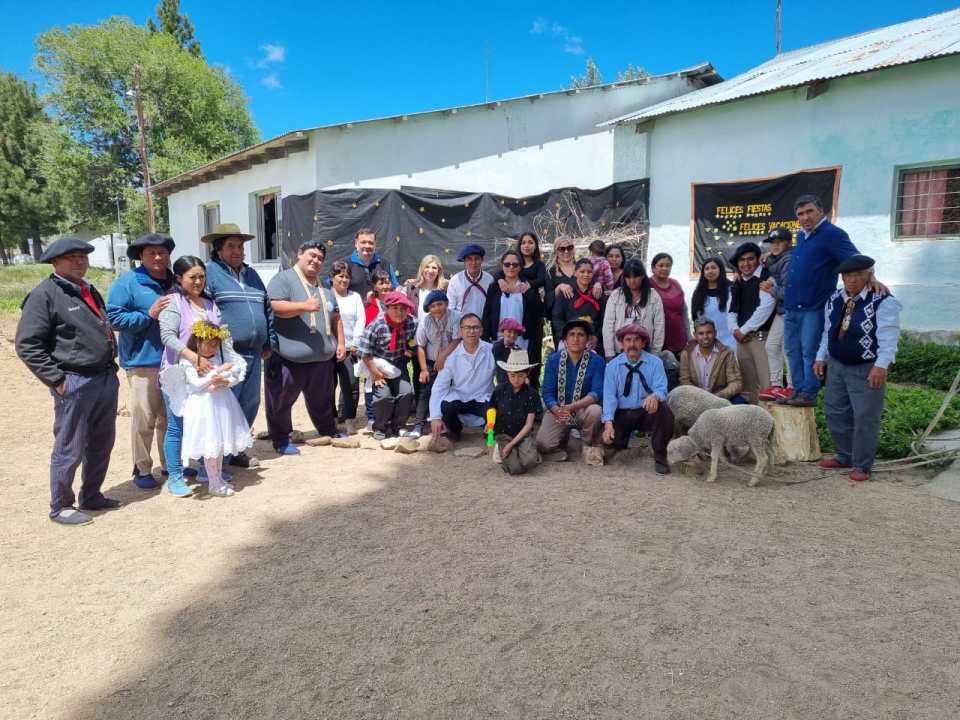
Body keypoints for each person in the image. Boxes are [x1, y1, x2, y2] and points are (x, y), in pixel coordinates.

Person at [16, 237, 120, 525]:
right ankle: (61, 505)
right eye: (72, 257)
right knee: (69, 446)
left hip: (104, 377)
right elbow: (27, 344)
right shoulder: (44, 295)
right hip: (74, 380)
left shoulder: (87, 289)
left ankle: (91, 495)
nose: (79, 262)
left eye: (83, 257)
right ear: (55, 261)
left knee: (102, 441)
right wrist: (57, 379)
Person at [783, 194, 885, 407]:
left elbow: (855, 258)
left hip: (813, 306)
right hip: (791, 306)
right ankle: (797, 390)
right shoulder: (801, 236)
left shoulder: (832, 234)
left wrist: (871, 277)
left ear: (821, 211)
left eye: (809, 211)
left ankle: (809, 393)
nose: (805, 217)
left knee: (809, 351)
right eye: (800, 214)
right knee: (792, 351)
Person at [159, 256, 245, 496]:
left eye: (201, 277)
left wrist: (230, 367)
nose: (198, 281)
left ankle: (208, 470)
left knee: (207, 424)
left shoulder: (209, 304)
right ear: (179, 278)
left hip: (209, 372)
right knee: (177, 425)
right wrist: (194, 358)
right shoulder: (173, 302)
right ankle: (175, 476)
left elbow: (222, 337)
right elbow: (167, 336)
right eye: (192, 277)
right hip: (181, 373)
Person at [815, 255, 901, 482]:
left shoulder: (883, 301)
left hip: (866, 367)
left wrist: (881, 366)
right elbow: (828, 331)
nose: (851, 280)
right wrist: (820, 357)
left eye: (857, 275)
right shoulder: (835, 298)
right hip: (837, 364)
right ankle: (844, 456)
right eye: (847, 275)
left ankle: (862, 464)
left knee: (865, 416)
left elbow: (889, 338)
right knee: (835, 410)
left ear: (869, 275)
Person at [202, 222, 276, 468]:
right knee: (225, 404)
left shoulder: (251, 274)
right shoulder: (210, 274)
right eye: (231, 246)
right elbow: (204, 314)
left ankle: (237, 449)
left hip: (254, 351)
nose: (238, 251)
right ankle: (218, 457)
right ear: (218, 249)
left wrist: (269, 341)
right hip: (227, 354)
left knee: (250, 402)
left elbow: (267, 308)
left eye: (240, 247)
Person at [105, 232, 174, 489]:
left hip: (174, 361)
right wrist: (148, 315)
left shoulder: (175, 281)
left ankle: (170, 464)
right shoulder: (128, 283)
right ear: (140, 256)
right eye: (151, 253)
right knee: (144, 418)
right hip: (143, 361)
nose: (157, 257)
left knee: (170, 418)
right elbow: (114, 318)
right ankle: (142, 468)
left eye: (162, 252)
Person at [266, 241, 346, 455]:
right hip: (288, 358)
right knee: (281, 401)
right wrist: (303, 306)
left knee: (323, 400)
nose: (316, 261)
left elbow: (336, 317)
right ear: (299, 254)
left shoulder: (324, 287)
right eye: (312, 255)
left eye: (320, 258)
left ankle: (328, 430)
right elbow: (273, 306)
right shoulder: (283, 279)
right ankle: (281, 440)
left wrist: (340, 343)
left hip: (321, 358)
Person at [160, 320, 251, 497]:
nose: (212, 349)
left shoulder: (216, 357)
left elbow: (232, 374)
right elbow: (195, 384)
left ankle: (218, 478)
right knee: (210, 444)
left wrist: (224, 380)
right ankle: (213, 483)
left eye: (215, 345)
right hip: (203, 407)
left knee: (219, 445)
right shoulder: (188, 361)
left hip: (221, 404)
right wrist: (217, 373)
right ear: (197, 342)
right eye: (208, 344)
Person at [601, 323, 674, 475]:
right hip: (623, 413)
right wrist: (608, 424)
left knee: (664, 410)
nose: (632, 344)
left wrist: (655, 396)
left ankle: (660, 456)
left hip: (646, 411)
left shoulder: (655, 362)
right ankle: (620, 444)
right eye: (628, 340)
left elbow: (662, 388)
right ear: (621, 343)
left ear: (643, 343)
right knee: (611, 442)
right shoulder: (612, 366)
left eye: (636, 340)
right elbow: (609, 397)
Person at [537, 320, 605, 459]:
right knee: (543, 444)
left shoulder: (597, 361)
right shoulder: (553, 360)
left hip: (583, 409)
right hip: (559, 410)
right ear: (565, 340)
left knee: (596, 411)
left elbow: (597, 393)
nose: (576, 338)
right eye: (571, 334)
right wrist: (556, 409)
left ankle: (586, 444)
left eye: (581, 335)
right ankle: (562, 441)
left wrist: (573, 406)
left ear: (588, 339)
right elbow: (547, 393)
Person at [428, 313, 496, 443]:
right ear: (461, 331)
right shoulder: (452, 356)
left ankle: (488, 431)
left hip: (483, 397)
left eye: (475, 327)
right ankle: (454, 431)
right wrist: (435, 417)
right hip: (460, 397)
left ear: (481, 330)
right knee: (447, 407)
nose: (471, 331)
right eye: (467, 327)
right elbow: (439, 387)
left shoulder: (491, 351)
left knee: (495, 410)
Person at [359, 290, 417, 440]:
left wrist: (411, 350)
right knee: (383, 396)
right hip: (378, 364)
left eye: (403, 308)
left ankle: (398, 426)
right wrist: (376, 373)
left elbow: (415, 341)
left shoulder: (412, 322)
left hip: (399, 362)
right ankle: (380, 427)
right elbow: (364, 352)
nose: (399, 312)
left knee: (406, 392)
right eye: (395, 308)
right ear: (387, 308)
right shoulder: (376, 325)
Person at [492, 232, 550, 371]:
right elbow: (498, 272)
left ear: (535, 245)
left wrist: (528, 284)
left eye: (530, 242)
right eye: (523, 242)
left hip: (531, 309)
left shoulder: (539, 265)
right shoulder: (514, 262)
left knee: (531, 352)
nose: (526, 245)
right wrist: (500, 280)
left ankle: (532, 379)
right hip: (512, 308)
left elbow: (542, 280)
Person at [727, 242, 776, 404]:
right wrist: (735, 330)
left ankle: (770, 419)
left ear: (757, 259)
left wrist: (743, 331)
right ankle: (755, 419)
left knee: (767, 387)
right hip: (742, 341)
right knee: (749, 389)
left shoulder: (767, 278)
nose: (746, 263)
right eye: (742, 260)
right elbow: (731, 310)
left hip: (762, 339)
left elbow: (766, 307)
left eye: (750, 259)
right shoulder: (738, 282)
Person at [411, 289, 460, 439]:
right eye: (432, 306)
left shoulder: (455, 317)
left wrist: (444, 356)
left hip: (452, 361)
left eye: (440, 304)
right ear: (428, 309)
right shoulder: (425, 321)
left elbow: (457, 340)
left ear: (446, 303)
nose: (437, 308)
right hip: (431, 361)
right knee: (426, 391)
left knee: (449, 391)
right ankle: (418, 425)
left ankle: (447, 424)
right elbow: (420, 345)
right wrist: (424, 369)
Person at [491, 349, 543, 475]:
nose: (516, 379)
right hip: (504, 434)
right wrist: (490, 425)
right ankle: (503, 449)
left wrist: (511, 445)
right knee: (515, 469)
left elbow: (529, 425)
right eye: (512, 375)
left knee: (529, 462)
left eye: (520, 376)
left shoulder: (532, 394)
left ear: (527, 374)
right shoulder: (499, 390)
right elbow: (491, 409)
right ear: (507, 373)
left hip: (523, 435)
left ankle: (522, 450)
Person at [758, 228, 794, 401]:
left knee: (788, 349)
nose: (775, 246)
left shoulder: (789, 260)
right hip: (782, 311)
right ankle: (776, 385)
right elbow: (770, 263)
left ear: (789, 243)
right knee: (771, 346)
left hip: (792, 311)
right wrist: (765, 257)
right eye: (772, 243)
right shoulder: (776, 258)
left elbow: (789, 293)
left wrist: (770, 289)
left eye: (779, 242)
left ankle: (793, 387)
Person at [603, 258, 665, 358]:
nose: (632, 281)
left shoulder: (653, 296)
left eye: (635, 277)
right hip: (620, 350)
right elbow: (608, 325)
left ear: (642, 276)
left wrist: (655, 353)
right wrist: (609, 353)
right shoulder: (616, 295)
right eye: (628, 277)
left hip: (646, 350)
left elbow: (659, 325)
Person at [330, 260, 365, 435]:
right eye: (340, 276)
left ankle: (349, 419)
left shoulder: (355, 297)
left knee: (351, 384)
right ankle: (332, 419)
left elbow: (361, 319)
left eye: (347, 277)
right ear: (332, 277)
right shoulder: (326, 296)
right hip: (329, 349)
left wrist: (355, 343)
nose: (344, 280)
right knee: (329, 386)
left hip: (351, 348)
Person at [482, 250, 541, 357]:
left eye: (515, 264)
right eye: (507, 264)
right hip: (499, 339)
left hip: (521, 340)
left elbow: (537, 315)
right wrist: (485, 338)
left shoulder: (527, 288)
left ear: (520, 267)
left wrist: (528, 292)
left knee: (518, 367)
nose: (511, 267)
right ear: (502, 265)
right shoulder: (494, 287)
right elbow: (487, 314)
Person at [678, 317, 745, 402]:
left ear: (715, 333)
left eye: (709, 332)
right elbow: (685, 381)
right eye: (701, 333)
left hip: (720, 398)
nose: (705, 336)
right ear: (695, 335)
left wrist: (718, 396)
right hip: (696, 399)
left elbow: (736, 382)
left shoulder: (726, 353)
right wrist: (700, 397)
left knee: (740, 400)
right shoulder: (686, 354)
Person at [545, 236, 601, 324]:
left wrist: (598, 283)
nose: (566, 251)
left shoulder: (581, 267)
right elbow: (547, 300)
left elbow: (591, 279)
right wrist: (558, 288)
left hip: (585, 315)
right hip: (563, 319)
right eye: (562, 249)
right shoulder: (551, 273)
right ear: (556, 251)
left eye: (569, 247)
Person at [551, 258, 602, 348]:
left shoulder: (597, 293)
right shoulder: (566, 292)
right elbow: (557, 318)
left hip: (591, 340)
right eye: (582, 271)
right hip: (568, 338)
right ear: (575, 273)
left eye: (589, 272)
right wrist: (564, 336)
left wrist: (596, 336)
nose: (586, 274)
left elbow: (603, 319)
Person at [690, 256, 736, 349]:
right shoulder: (698, 293)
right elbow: (696, 318)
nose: (710, 271)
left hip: (732, 341)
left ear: (720, 269)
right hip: (707, 343)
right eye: (707, 269)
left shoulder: (732, 289)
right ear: (703, 272)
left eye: (714, 268)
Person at [649, 252, 690, 357]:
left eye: (668, 265)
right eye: (661, 265)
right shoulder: (648, 286)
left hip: (679, 338)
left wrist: (689, 336)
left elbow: (684, 312)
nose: (665, 268)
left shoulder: (676, 284)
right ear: (653, 268)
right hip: (658, 340)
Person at [344, 228, 399, 297]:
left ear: (375, 245)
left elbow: (395, 288)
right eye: (363, 242)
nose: (367, 246)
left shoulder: (385, 264)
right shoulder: (345, 264)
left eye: (370, 243)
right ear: (356, 244)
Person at [447, 243, 494, 320]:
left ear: (482, 260)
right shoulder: (455, 281)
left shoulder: (489, 280)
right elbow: (450, 308)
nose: (473, 263)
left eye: (477, 259)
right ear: (464, 261)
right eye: (469, 259)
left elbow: (493, 305)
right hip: (461, 324)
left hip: (483, 324)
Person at [405, 254, 449, 322]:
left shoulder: (445, 290)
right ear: (422, 269)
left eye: (434, 268)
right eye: (427, 267)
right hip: (416, 328)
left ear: (438, 271)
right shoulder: (411, 288)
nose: (430, 271)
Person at [492, 318, 525, 385]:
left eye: (515, 333)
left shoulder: (518, 350)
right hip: (502, 384)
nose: (512, 335)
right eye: (509, 332)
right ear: (502, 332)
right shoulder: (495, 348)